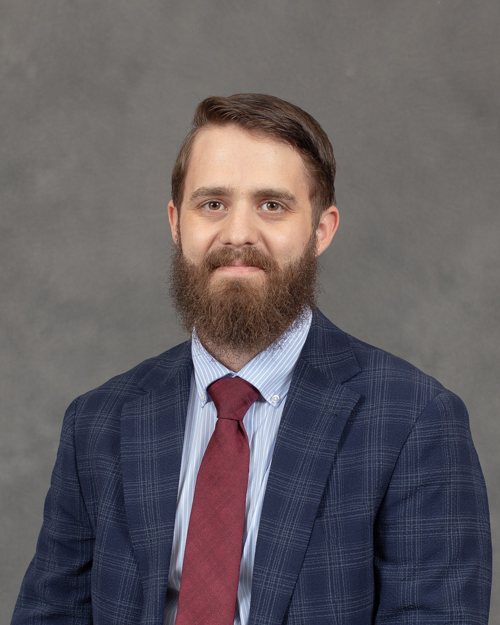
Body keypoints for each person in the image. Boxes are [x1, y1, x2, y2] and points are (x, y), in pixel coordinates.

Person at [12, 94, 491, 625]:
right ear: (176, 223)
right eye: (212, 204)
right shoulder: (97, 421)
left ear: (321, 230)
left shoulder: (415, 420)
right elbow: (50, 614)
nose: (238, 234)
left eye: (272, 205)